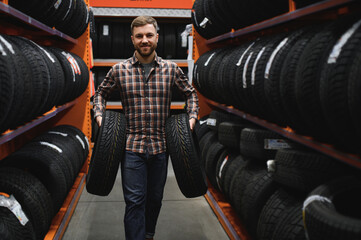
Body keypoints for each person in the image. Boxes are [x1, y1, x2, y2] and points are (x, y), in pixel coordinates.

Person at [93, 16, 199, 240]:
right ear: (132, 39)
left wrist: (191, 117)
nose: (144, 40)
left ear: (157, 38)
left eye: (149, 35)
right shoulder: (119, 70)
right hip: (131, 148)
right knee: (134, 201)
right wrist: (100, 116)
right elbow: (100, 94)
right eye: (139, 36)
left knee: (154, 200)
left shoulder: (171, 70)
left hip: (161, 147)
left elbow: (190, 93)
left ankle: (148, 235)